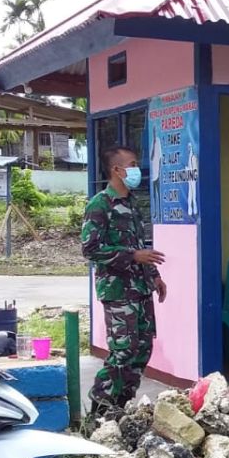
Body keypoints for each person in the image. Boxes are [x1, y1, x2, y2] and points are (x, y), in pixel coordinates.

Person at [81, 145, 167, 419]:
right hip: (118, 292)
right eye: (131, 164)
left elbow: (141, 246)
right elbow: (90, 249)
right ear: (117, 170)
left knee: (142, 349)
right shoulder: (100, 205)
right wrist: (132, 256)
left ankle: (122, 405)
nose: (136, 169)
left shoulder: (131, 203)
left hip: (140, 289)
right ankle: (99, 407)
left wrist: (154, 276)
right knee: (122, 351)